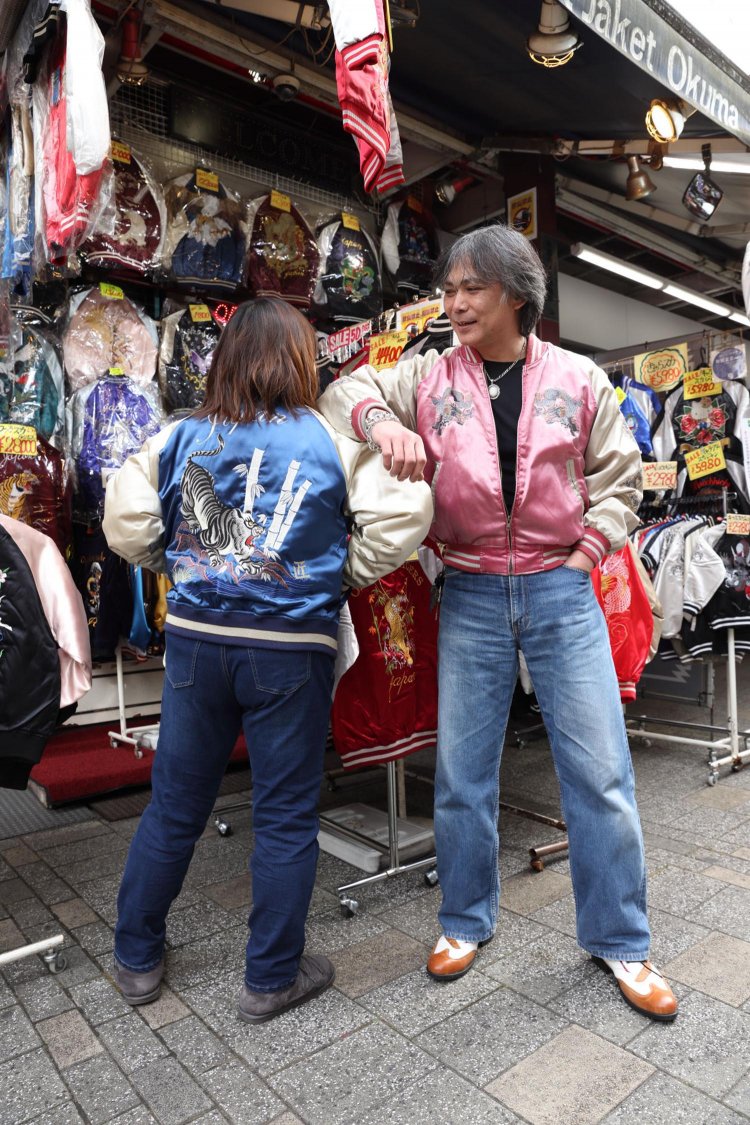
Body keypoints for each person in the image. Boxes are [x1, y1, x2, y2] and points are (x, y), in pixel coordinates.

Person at [318, 224, 678, 1022]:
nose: (453, 302)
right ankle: (463, 920)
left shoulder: (581, 379)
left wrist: (585, 556)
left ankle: (621, 937)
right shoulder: (427, 374)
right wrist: (383, 425)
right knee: (463, 773)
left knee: (601, 772)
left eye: (469, 287)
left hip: (561, 587)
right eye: (448, 289)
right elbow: (344, 393)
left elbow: (620, 480)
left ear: (518, 292)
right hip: (472, 591)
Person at [103, 297, 432, 1022]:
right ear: (300, 360)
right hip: (290, 646)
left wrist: (181, 565)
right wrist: (335, 574)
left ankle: (135, 957)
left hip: (198, 640)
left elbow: (124, 518)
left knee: (175, 805)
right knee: (284, 813)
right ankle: (270, 976)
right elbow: (409, 510)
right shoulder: (329, 438)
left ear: (222, 362)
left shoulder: (180, 435)